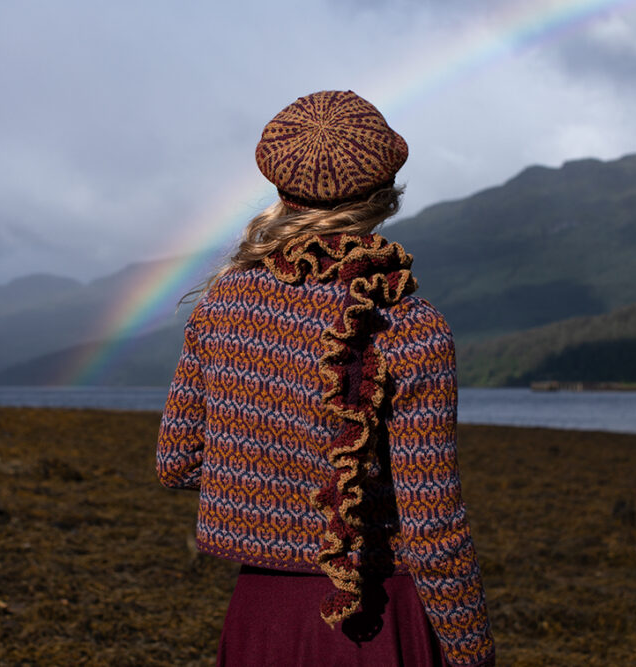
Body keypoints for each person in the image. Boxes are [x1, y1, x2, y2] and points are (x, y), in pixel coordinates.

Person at [157, 90, 494, 667]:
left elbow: (179, 462)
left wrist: (275, 489)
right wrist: (472, 651)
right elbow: (431, 526)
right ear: (384, 192)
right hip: (375, 617)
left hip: (260, 620)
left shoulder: (221, 305)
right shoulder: (409, 326)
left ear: (281, 189)